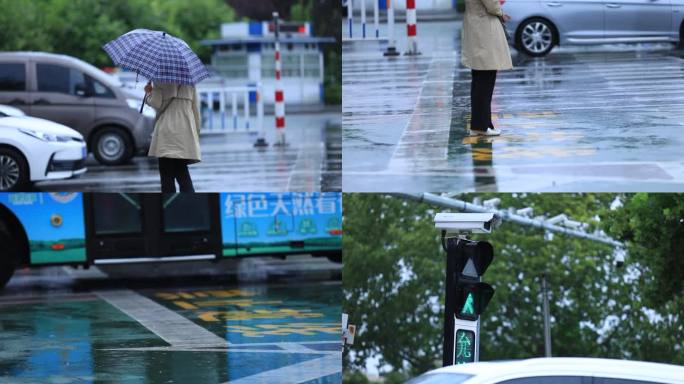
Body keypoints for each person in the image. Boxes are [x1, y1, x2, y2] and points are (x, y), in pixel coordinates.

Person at [462, 0, 513, 136]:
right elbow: (491, 5)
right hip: (484, 29)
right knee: (485, 80)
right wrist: (501, 13)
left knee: (480, 79)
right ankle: (480, 126)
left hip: (477, 26)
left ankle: (481, 124)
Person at [144, 81, 201, 192]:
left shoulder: (160, 80)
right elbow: (196, 110)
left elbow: (156, 104)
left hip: (166, 131)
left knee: (166, 175)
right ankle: (189, 201)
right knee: (182, 172)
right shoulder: (189, 82)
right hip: (185, 130)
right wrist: (196, 134)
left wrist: (148, 94)